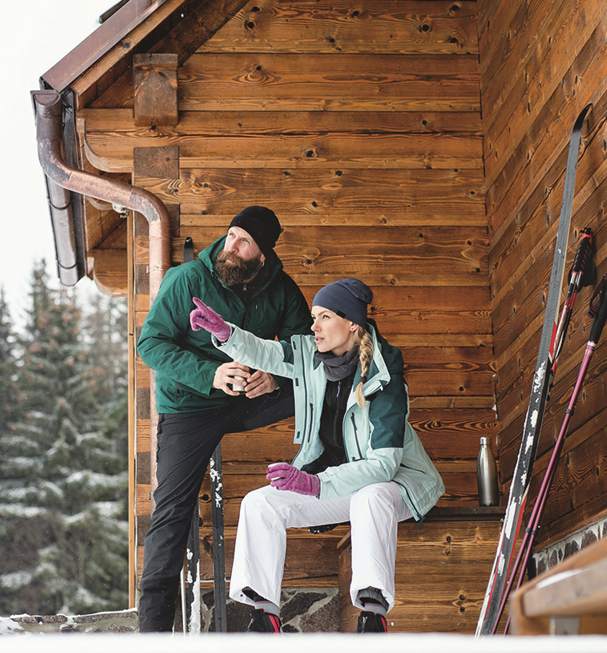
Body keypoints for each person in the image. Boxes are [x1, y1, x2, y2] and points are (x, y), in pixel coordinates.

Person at [189, 278, 445, 633]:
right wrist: (226, 333)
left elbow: (384, 466)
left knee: (369, 498)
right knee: (260, 503)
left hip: (396, 485)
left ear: (352, 322)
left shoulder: (384, 381)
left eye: (324, 316)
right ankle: (264, 617)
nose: (314, 326)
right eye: (313, 316)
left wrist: (315, 482)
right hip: (339, 484)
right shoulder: (311, 357)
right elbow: (267, 353)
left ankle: (373, 616)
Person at [135, 206, 311, 633]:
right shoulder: (188, 279)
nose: (232, 245)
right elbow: (151, 344)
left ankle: (338, 477)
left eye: (244, 241)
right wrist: (208, 374)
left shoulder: (283, 291)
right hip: (190, 406)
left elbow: (305, 350)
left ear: (262, 256)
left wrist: (274, 377)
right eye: (231, 234)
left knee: (324, 384)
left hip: (249, 398)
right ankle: (153, 631)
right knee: (172, 509)